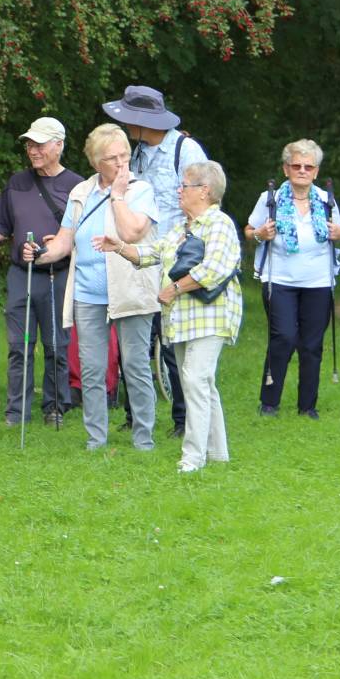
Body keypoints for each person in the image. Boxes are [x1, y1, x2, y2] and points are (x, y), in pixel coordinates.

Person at [94, 161, 242, 471]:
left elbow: (213, 270)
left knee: (195, 378)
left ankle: (192, 458)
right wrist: (118, 246)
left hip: (212, 316)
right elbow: (153, 253)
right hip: (184, 319)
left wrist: (173, 289)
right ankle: (219, 454)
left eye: (185, 185)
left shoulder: (220, 225)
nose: (179, 190)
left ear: (204, 191)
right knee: (203, 383)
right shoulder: (182, 228)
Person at [26, 124, 158, 450]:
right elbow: (63, 242)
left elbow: (133, 233)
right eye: (112, 158)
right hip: (87, 292)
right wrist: (41, 255)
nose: (121, 164)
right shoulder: (80, 193)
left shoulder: (140, 190)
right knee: (92, 369)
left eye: (125, 156)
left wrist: (117, 195)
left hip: (129, 289)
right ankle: (95, 439)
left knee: (136, 365)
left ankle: (144, 439)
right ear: (96, 161)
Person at [0, 116, 83, 428]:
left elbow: (85, 236)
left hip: (59, 276)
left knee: (56, 346)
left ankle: (55, 408)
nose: (32, 150)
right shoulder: (17, 183)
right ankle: (16, 413)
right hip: (20, 276)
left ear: (58, 145)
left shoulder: (77, 187)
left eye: (39, 143)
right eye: (29, 144)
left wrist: (60, 246)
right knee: (19, 346)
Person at [104, 85, 208, 438]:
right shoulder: (137, 153)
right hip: (139, 255)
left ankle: (182, 420)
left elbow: (205, 200)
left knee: (172, 342)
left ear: (141, 120)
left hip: (174, 258)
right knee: (137, 341)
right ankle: (136, 416)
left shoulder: (185, 149)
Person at [244, 139, 340, 419]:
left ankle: (307, 406)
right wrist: (259, 235)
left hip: (318, 281)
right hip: (279, 279)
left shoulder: (326, 200)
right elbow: (249, 230)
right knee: (284, 337)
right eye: (296, 165)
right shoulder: (271, 199)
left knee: (312, 344)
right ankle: (269, 401)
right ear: (286, 169)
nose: (302, 170)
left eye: (308, 166)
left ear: (316, 171)